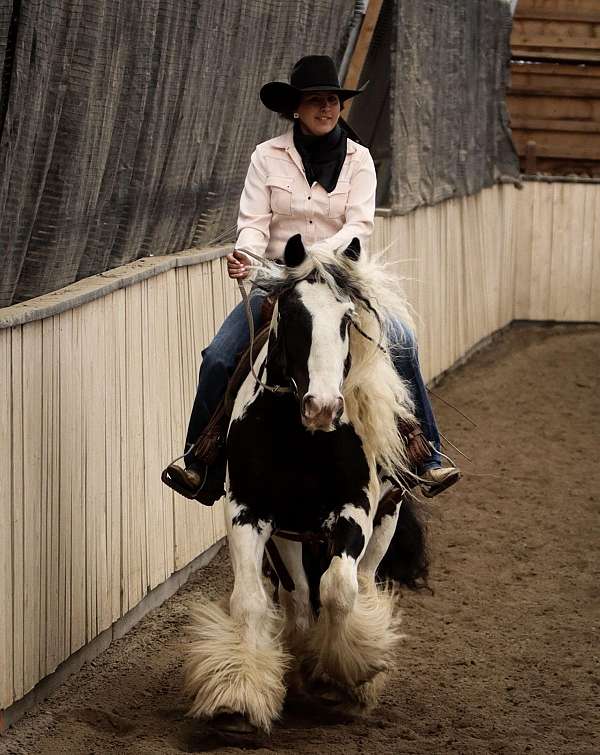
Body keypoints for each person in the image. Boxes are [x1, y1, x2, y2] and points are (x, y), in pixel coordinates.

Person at [165, 55, 460, 505]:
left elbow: (358, 227)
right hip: (279, 280)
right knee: (219, 358)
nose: (327, 108)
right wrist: (245, 255)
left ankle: (426, 455)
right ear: (295, 110)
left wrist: (314, 260)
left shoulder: (360, 160)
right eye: (316, 101)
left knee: (401, 340)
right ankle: (201, 463)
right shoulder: (266, 156)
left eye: (333, 101)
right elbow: (253, 222)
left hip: (342, 279)